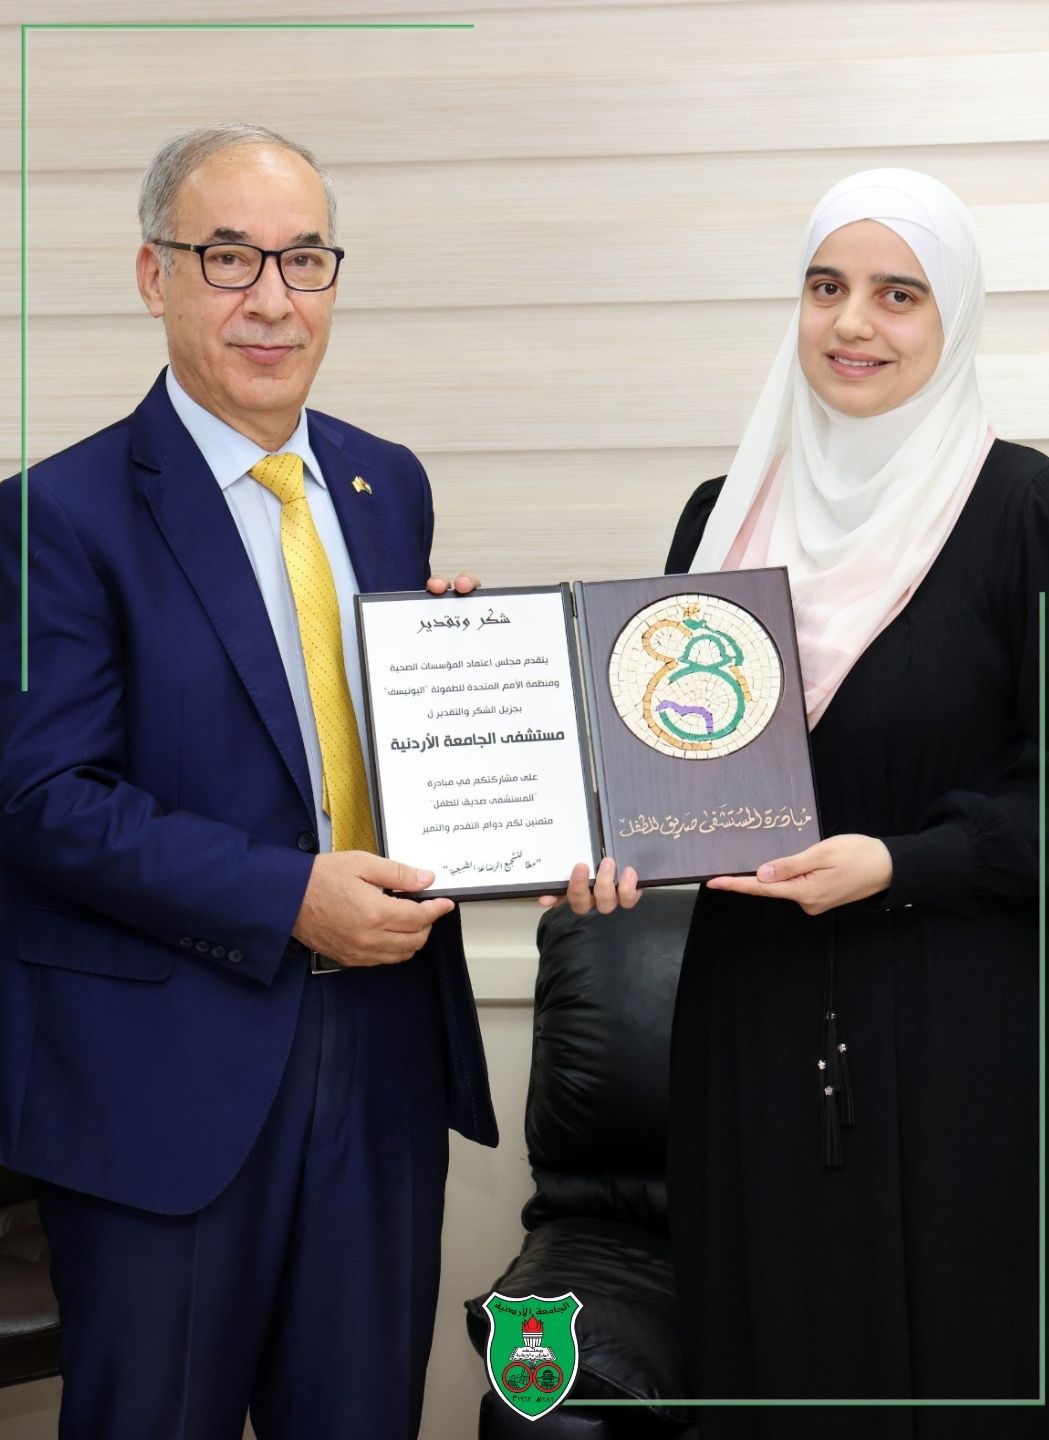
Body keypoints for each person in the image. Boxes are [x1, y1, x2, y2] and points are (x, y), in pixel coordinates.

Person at [555, 170, 1049, 1436]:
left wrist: (899, 862)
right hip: (756, 1016)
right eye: (826, 286)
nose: (853, 323)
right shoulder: (724, 514)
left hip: (964, 1031)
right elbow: (666, 755)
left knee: (966, 1364)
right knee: (778, 1355)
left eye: (899, 295)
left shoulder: (1032, 513)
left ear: (954, 317)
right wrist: (602, 838)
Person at [0, 124, 496, 1440]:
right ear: (154, 275)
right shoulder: (56, 516)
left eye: (303, 258)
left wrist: (463, 699)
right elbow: (42, 798)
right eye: (229, 257)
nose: (272, 298)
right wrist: (289, 898)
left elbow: (332, 739)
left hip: (382, 1062)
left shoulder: (386, 485)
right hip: (164, 1085)